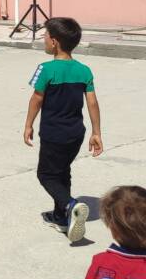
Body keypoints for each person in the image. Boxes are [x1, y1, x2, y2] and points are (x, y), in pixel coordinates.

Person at [23, 16, 103, 243]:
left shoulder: (45, 69)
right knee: (62, 170)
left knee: (46, 174)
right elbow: (93, 103)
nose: (44, 40)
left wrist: (28, 124)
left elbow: (36, 99)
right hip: (76, 133)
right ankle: (60, 217)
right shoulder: (84, 70)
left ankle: (70, 205)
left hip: (53, 133)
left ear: (55, 42)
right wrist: (96, 133)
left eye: (45, 36)